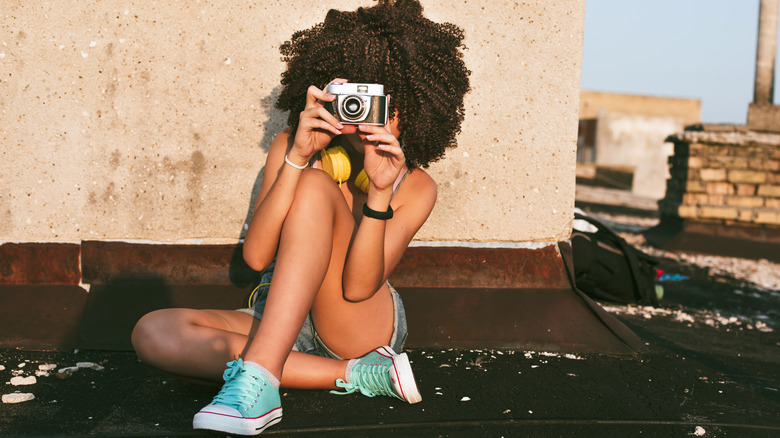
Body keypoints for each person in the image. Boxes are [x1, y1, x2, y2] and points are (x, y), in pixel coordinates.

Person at [130, 0, 470, 435]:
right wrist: (297, 158)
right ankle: (360, 374)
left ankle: (258, 388)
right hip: (283, 315)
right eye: (359, 100)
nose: (373, 114)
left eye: (389, 103)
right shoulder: (294, 147)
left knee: (315, 189)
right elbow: (255, 258)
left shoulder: (416, 185)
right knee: (155, 333)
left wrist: (380, 192)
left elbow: (359, 285)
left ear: (418, 108)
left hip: (357, 321)